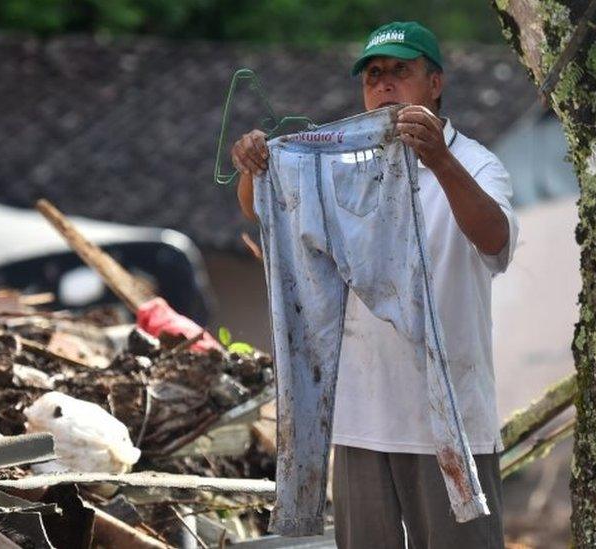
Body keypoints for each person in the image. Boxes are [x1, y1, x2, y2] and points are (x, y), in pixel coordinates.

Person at [232, 21, 517, 549]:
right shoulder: (336, 166)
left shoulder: (476, 163)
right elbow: (258, 208)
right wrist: (255, 167)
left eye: (401, 72)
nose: (384, 85)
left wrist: (440, 160)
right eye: (374, 76)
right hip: (361, 420)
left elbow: (495, 239)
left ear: (435, 84)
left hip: (450, 425)